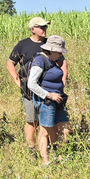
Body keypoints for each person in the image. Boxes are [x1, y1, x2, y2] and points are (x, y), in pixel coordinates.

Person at [6, 17, 67, 156]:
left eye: (45, 27)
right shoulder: (23, 45)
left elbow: (62, 63)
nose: (44, 29)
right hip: (29, 90)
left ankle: (50, 149)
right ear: (33, 29)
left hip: (50, 91)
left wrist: (62, 81)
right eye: (41, 27)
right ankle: (32, 149)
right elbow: (10, 64)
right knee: (32, 119)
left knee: (49, 121)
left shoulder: (50, 44)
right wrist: (18, 82)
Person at [27, 35, 70, 166]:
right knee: (44, 131)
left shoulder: (53, 61)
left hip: (59, 100)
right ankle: (45, 161)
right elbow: (31, 83)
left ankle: (60, 156)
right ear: (50, 50)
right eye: (59, 51)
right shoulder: (40, 60)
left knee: (65, 128)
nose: (60, 54)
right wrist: (49, 95)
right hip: (47, 101)